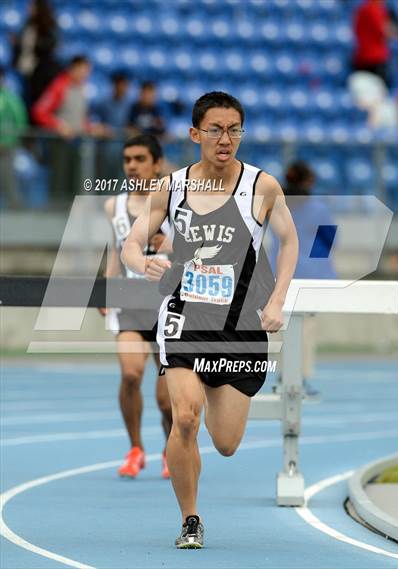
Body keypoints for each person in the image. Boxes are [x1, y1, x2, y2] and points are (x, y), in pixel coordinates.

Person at [121, 91, 298, 548]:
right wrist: (144, 264)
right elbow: (131, 243)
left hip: (239, 328)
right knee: (185, 419)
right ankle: (190, 518)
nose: (226, 139)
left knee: (225, 442)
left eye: (234, 129)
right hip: (185, 317)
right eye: (216, 129)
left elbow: (291, 242)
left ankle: (196, 434)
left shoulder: (262, 186)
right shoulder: (172, 187)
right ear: (195, 133)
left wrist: (277, 300)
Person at [102, 134, 173, 479]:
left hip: (167, 307)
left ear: (157, 163)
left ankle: (172, 450)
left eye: (140, 159)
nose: (132, 165)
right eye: (128, 159)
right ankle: (135, 449)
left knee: (165, 397)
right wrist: (106, 286)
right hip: (129, 303)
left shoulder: (176, 203)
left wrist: (169, 244)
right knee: (130, 374)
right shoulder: (113, 206)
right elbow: (115, 250)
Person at [269, 160, 337, 399]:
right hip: (311, 276)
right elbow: (329, 241)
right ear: (310, 180)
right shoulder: (319, 207)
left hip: (279, 271)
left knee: (278, 327)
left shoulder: (277, 205)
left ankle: (281, 378)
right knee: (305, 331)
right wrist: (315, 263)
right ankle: (301, 379)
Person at [32, 55, 104, 199]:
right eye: (84, 70)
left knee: (75, 185)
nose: (86, 74)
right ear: (74, 68)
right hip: (61, 144)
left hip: (77, 143)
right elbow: (39, 111)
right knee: (60, 184)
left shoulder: (83, 89)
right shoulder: (59, 86)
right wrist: (58, 126)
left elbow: (79, 118)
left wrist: (90, 127)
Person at [12, 0, 60, 109]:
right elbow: (24, 46)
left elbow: (50, 45)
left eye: (32, 6)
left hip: (41, 72)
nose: (29, 9)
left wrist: (38, 44)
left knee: (39, 101)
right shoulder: (27, 25)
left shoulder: (48, 26)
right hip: (26, 69)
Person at [0, 66, 28, 207]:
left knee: (8, 177)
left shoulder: (11, 99)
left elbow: (20, 121)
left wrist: (10, 140)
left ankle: (14, 205)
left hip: (6, 147)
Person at [352, 0, 396, 88]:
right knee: (378, 91)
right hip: (375, 57)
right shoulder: (375, 9)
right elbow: (384, 31)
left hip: (361, 55)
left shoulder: (362, 9)